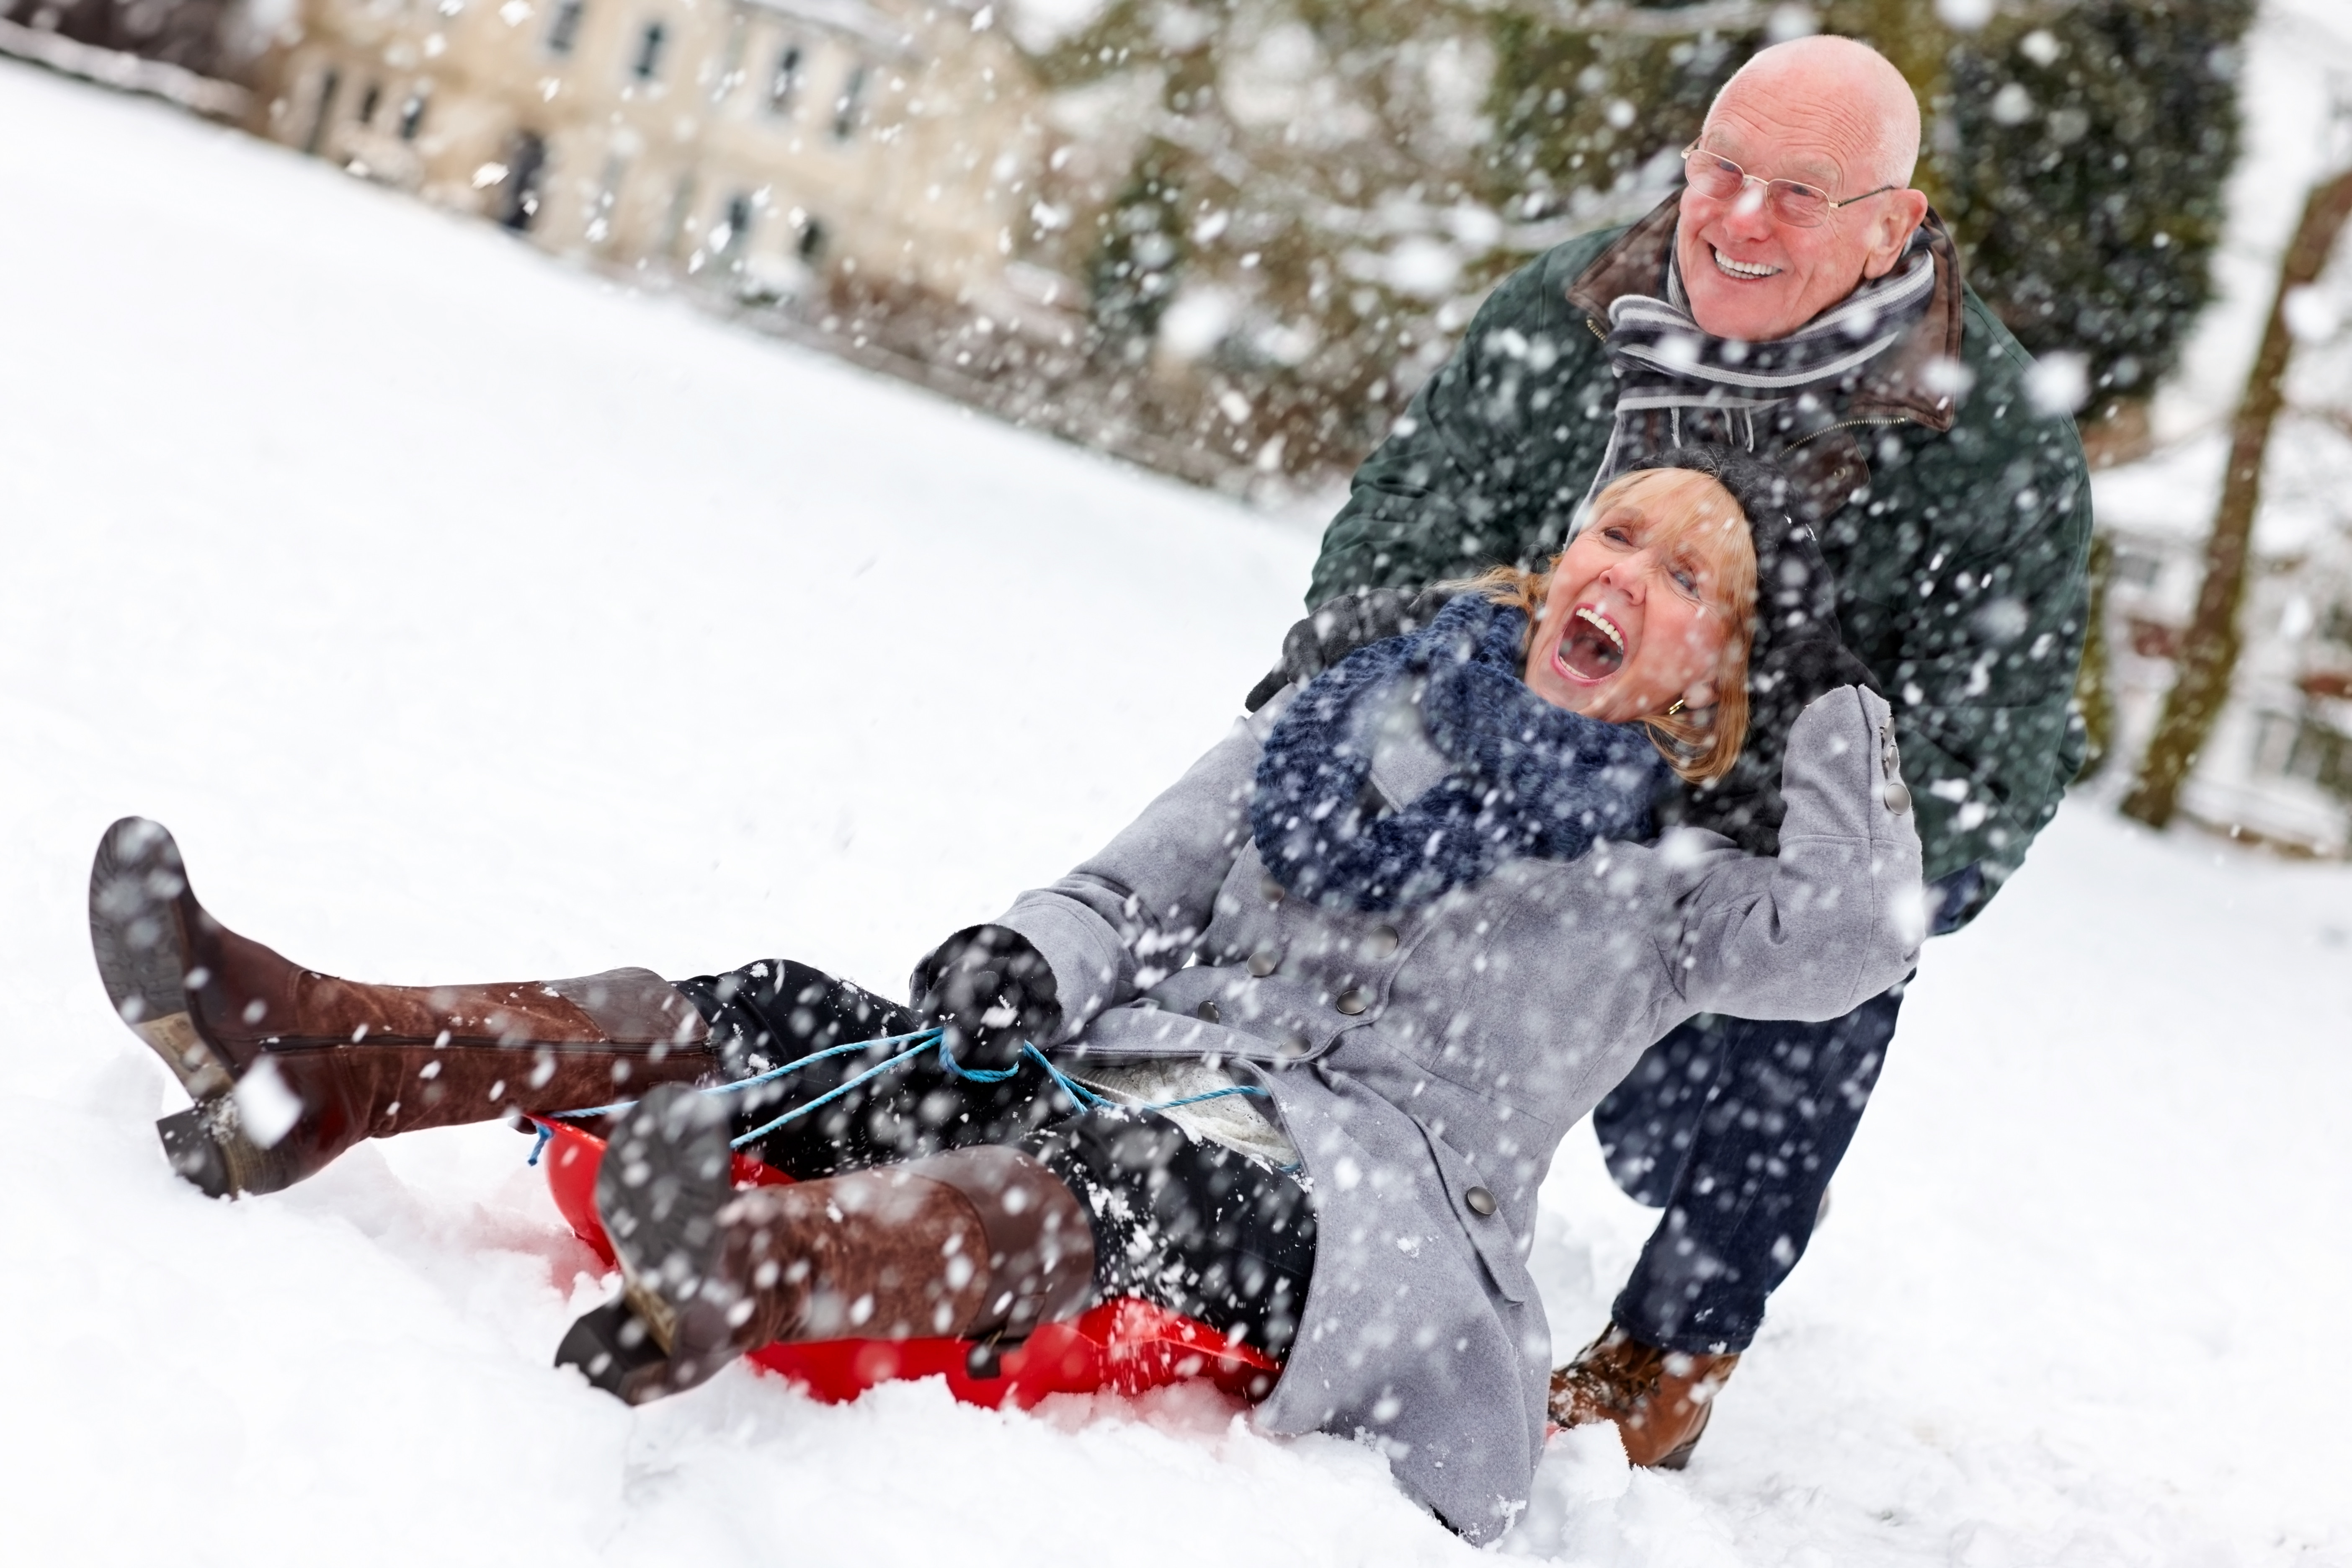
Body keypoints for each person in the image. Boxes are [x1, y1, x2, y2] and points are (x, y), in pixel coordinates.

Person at [91, 449, 1921, 1542]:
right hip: (1120, 1076)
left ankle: (744, 1274)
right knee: (788, 1005)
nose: (1628, 573)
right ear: (1558, 563)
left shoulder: (1674, 894)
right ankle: (323, 1055)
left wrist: (1837, 693)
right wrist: (1024, 958)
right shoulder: (1339, 724)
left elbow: (1866, 935)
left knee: (1145, 1198)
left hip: (1363, 1213)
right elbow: (1128, 889)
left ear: (1705, 679)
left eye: (1688, 579)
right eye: (1617, 534)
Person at [1271, 34, 2093, 1465]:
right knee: (1334, 784)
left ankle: (1674, 1346)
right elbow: (1409, 521)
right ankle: (1280, 1142)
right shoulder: (1575, 311)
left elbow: (1986, 770)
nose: (1741, 218)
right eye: (1724, 169)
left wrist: (1805, 879)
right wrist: (1402, 687)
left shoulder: (1990, 444)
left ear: (1891, 225)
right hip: (1527, 744)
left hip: (1757, 844)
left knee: (1820, 991)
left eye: (1800, 193)